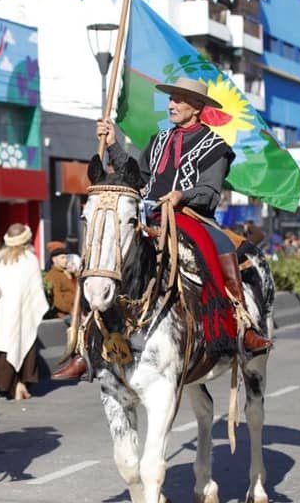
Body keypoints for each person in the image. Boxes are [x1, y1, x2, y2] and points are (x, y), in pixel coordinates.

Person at [99, 78, 272, 352]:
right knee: (105, 249)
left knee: (223, 244)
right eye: (171, 99)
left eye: (179, 100)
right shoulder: (158, 139)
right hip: (149, 214)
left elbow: (210, 191)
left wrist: (182, 195)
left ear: (197, 106)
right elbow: (135, 177)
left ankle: (243, 322)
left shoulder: (216, 145)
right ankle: (91, 337)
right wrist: (112, 145)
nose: (171, 105)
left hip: (191, 216)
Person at [0, 223, 49, 400]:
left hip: (1, 312)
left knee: (4, 343)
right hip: (22, 312)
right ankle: (21, 382)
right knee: (23, 340)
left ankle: (9, 384)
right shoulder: (29, 259)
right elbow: (35, 292)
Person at [44, 243, 78, 318]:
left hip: (77, 309)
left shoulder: (69, 273)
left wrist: (76, 274)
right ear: (54, 260)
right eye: (62, 258)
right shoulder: (52, 275)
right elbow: (58, 301)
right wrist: (72, 310)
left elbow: (78, 290)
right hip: (64, 313)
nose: (65, 260)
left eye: (66, 258)